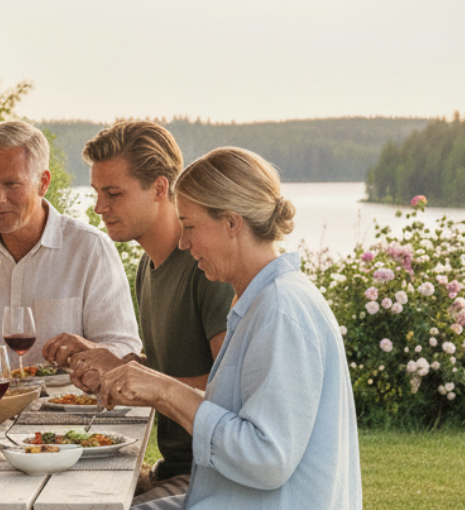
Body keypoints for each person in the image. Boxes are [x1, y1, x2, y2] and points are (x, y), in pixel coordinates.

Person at [96, 148, 362, 510]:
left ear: (232, 223)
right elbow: (238, 416)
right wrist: (152, 386)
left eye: (190, 226)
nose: (184, 243)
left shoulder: (281, 309)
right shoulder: (260, 299)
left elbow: (267, 459)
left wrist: (164, 391)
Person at [45, 121, 233, 505]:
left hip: (209, 476)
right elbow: (170, 367)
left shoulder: (206, 268)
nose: (99, 207)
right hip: (171, 468)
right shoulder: (148, 266)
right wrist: (112, 362)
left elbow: (229, 391)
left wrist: (129, 373)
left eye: (113, 193)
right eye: (97, 193)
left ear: (160, 188)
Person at [0, 120, 140, 358]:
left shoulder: (90, 248)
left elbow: (125, 349)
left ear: (43, 183)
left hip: (66, 385)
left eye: (11, 184)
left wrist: (90, 350)